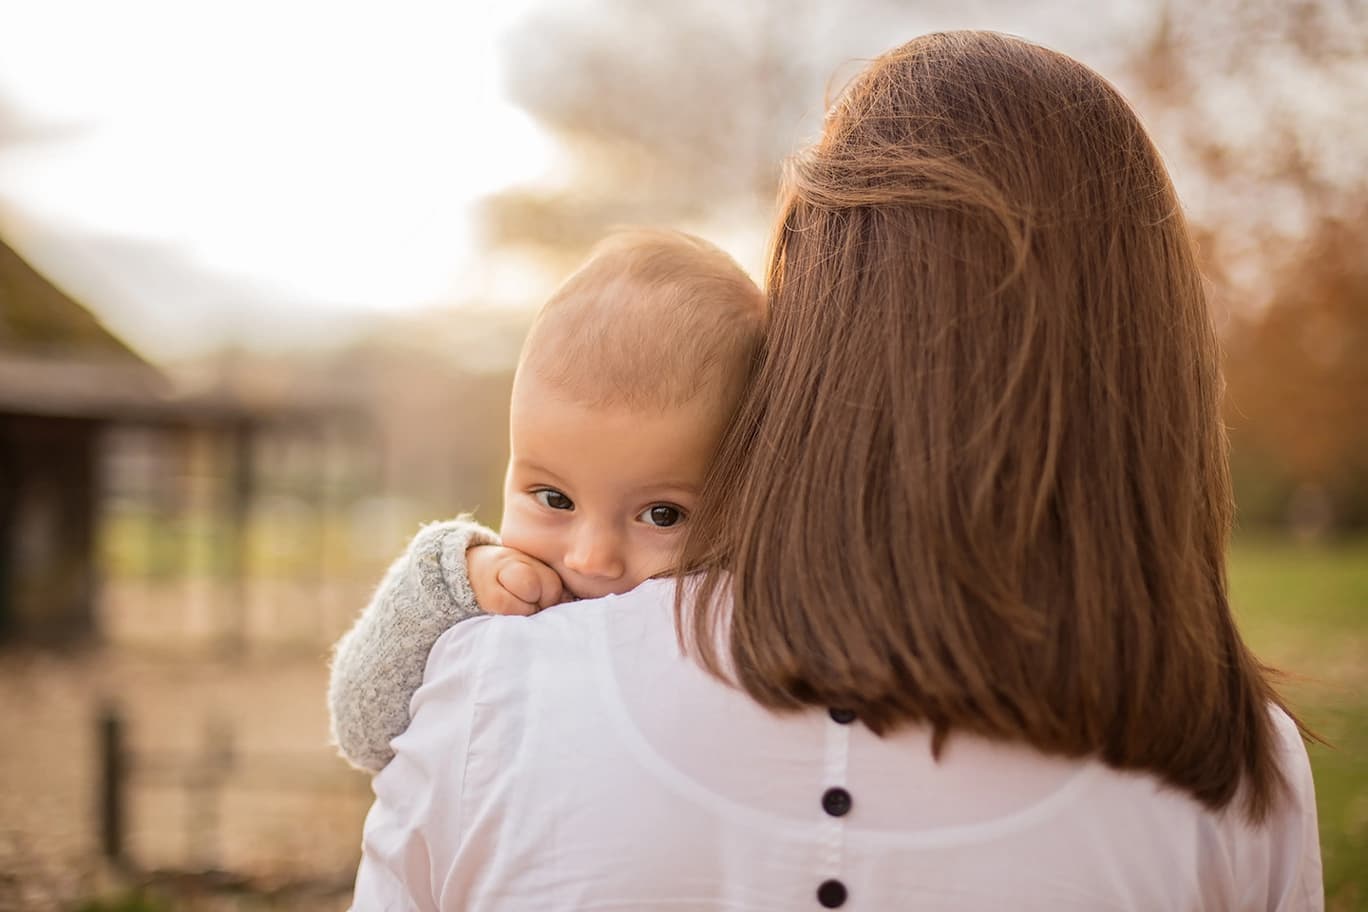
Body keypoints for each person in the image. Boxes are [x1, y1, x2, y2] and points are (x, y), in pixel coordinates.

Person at [348, 31, 1323, 910]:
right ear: (1156, 370)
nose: (596, 552)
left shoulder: (490, 692)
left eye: (657, 511)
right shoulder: (1237, 775)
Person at [328, 228, 765, 772]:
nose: (590, 559)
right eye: (554, 499)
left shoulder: (745, 618)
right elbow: (363, 733)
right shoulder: (493, 596)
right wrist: (451, 580)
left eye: (662, 515)